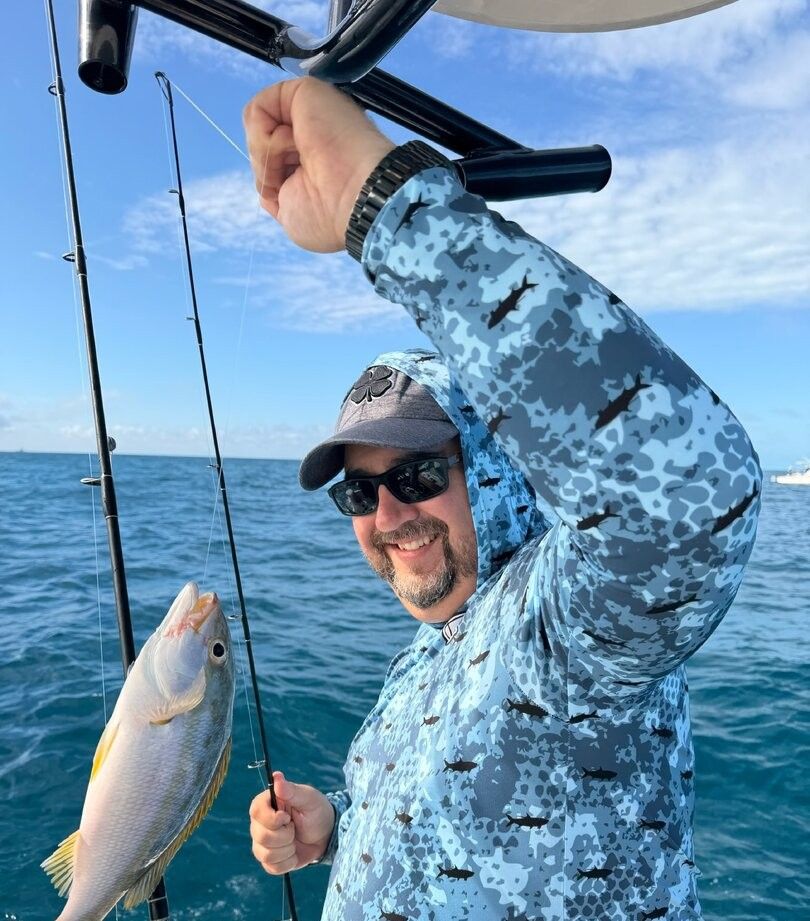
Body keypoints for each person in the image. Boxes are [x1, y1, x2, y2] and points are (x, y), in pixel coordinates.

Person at [244, 77, 762, 920]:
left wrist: (384, 208)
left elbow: (691, 499)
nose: (388, 514)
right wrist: (338, 829)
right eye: (361, 491)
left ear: (491, 461)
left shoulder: (563, 634)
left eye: (419, 475)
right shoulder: (433, 646)